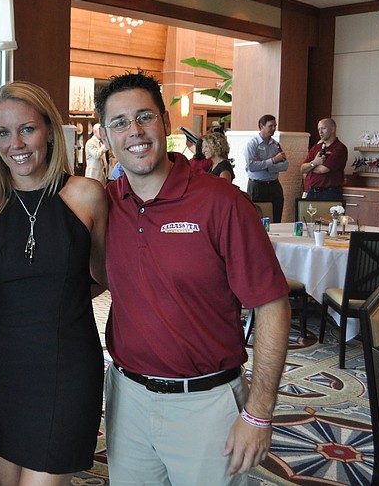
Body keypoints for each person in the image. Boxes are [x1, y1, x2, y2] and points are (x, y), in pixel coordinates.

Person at [94, 70, 291, 485]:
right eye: (120, 123)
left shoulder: (222, 202)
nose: (135, 132)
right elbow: (91, 278)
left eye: (145, 117)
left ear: (166, 123)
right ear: (105, 136)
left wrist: (258, 412)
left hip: (207, 404)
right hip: (126, 399)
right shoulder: (107, 205)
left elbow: (272, 306)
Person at [0, 81, 107, 485]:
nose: (15, 143)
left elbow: (102, 277)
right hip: (0, 368)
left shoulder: (86, 195)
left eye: (27, 129)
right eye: (3, 132)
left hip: (66, 366)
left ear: (49, 130)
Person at [244, 114, 289, 222]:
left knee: (276, 218)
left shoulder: (276, 145)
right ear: (261, 126)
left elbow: (285, 165)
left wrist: (265, 165)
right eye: (270, 126)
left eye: (275, 126)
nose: (273, 129)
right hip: (257, 186)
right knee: (256, 219)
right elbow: (252, 166)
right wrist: (273, 161)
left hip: (274, 185)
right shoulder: (252, 144)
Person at [300, 118, 348, 201]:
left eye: (323, 128)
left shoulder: (340, 148)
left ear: (332, 129)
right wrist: (314, 163)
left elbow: (323, 169)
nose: (320, 132)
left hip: (330, 193)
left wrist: (310, 168)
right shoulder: (316, 147)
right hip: (312, 191)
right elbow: (302, 169)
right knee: (308, 214)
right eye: (319, 129)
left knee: (328, 215)